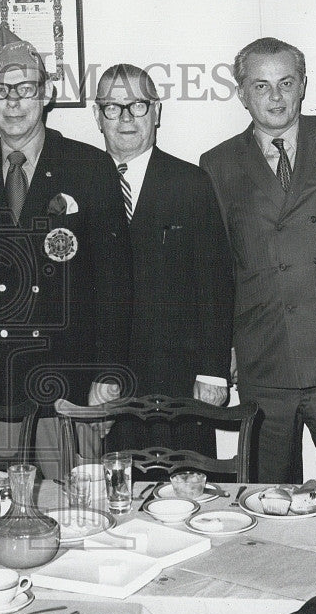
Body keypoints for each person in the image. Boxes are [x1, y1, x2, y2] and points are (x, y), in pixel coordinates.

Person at [0, 33, 131, 475]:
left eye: (25, 89)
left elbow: (116, 283)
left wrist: (110, 374)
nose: (14, 103)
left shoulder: (89, 167)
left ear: (46, 93)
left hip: (73, 381)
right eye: (1, 91)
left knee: (77, 508)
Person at [200, 37, 316, 484]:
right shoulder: (216, 163)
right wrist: (222, 352)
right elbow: (220, 269)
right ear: (242, 93)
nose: (275, 97)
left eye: (286, 83)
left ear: (303, 85)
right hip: (263, 357)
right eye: (261, 85)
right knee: (268, 497)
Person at [94, 64, 233, 461]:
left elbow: (215, 283)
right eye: (112, 107)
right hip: (105, 380)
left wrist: (213, 372)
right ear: (97, 116)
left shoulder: (190, 182)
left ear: (157, 112)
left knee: (184, 495)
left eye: (137, 105)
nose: (125, 118)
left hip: (177, 378)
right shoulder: (80, 181)